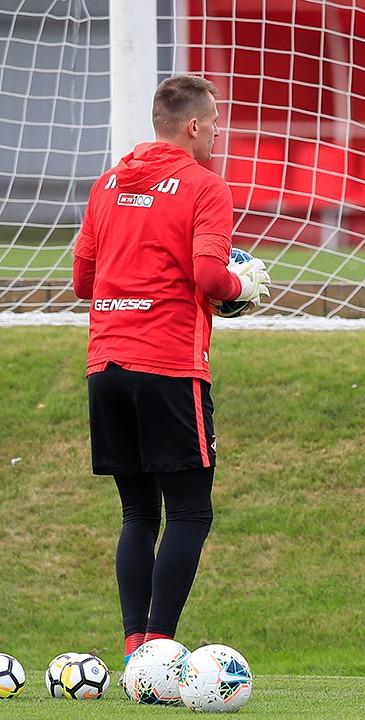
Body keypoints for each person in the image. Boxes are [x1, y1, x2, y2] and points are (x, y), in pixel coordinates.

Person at [72, 74, 270, 665]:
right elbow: (211, 278)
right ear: (192, 126)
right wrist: (243, 287)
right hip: (167, 363)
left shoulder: (107, 185)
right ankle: (159, 647)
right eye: (213, 125)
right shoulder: (204, 186)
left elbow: (83, 282)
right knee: (190, 510)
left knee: (137, 511)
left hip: (105, 362)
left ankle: (136, 645)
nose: (217, 134)